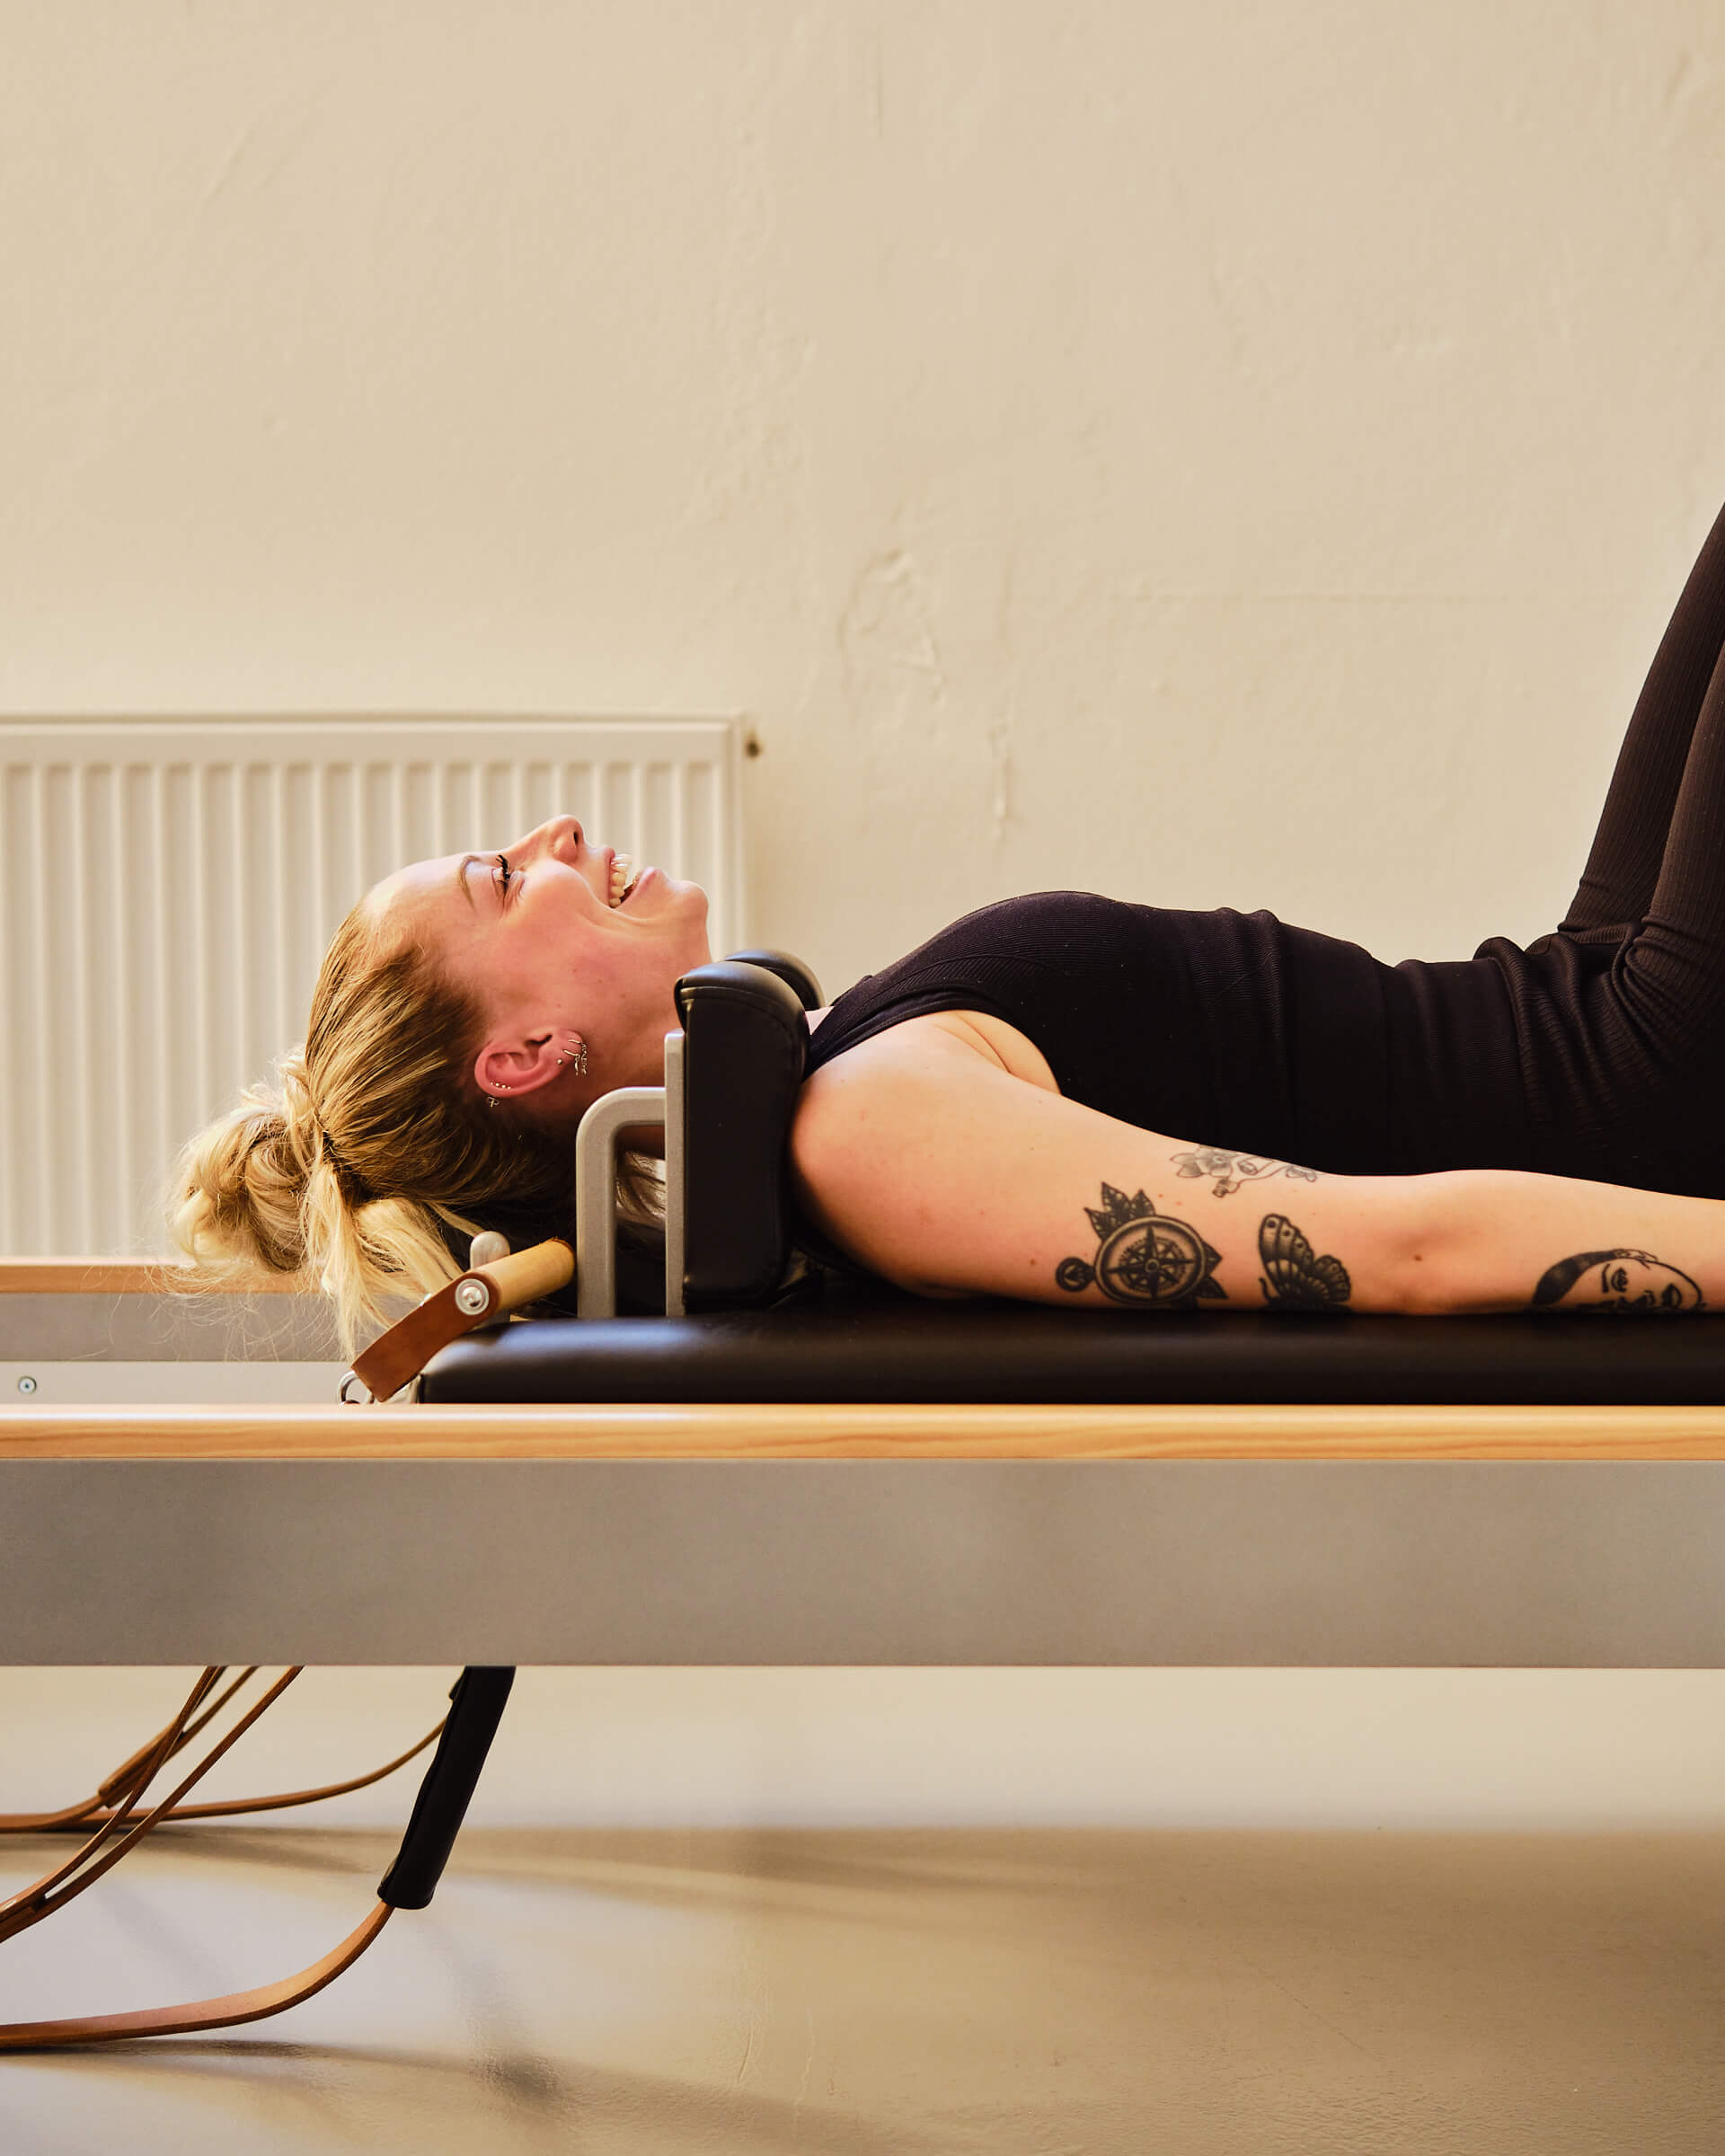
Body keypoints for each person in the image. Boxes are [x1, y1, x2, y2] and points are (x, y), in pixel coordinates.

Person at [177, 499, 1725, 1348]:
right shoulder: (868, 1138)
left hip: (1583, 995)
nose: (557, 837)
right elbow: (1397, 1253)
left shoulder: (842, 1072)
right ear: (522, 1056)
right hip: (1654, 1078)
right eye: (503, 883)